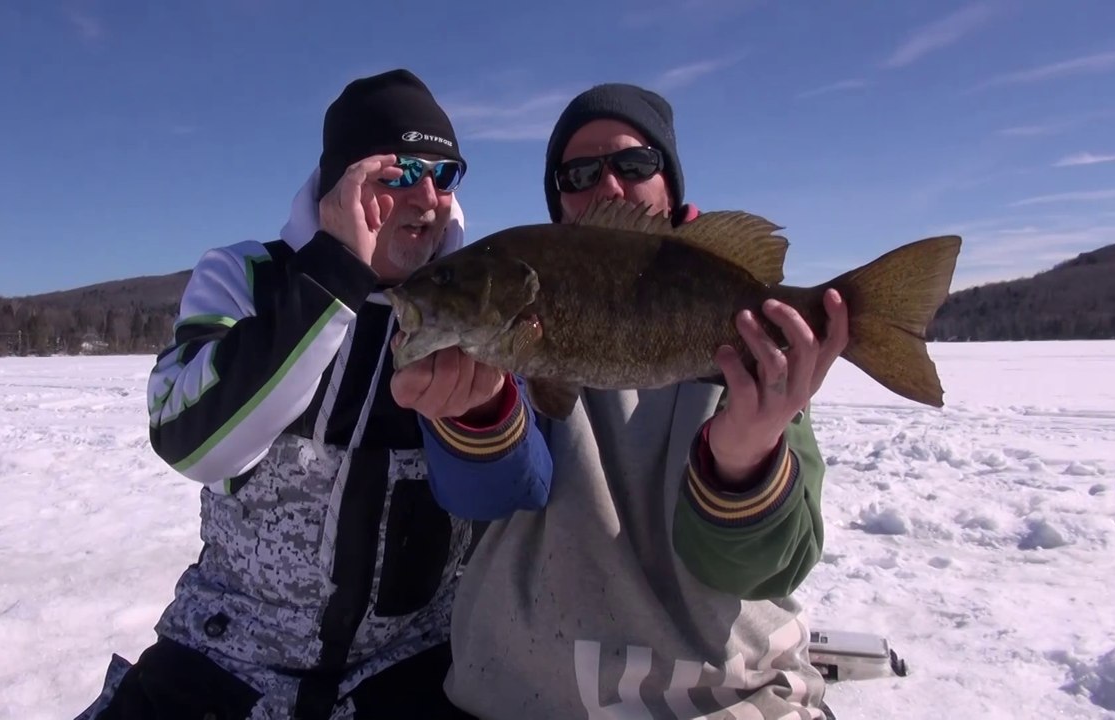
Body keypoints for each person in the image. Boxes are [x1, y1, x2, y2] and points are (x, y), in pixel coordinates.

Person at [74, 68, 551, 720]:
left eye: (446, 175)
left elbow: (516, 492)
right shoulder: (249, 278)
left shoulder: (480, 301)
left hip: (412, 667)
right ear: (342, 185)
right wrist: (330, 281)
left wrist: (483, 415)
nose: (429, 195)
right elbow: (191, 440)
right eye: (401, 171)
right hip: (224, 659)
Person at [439, 83, 848, 718]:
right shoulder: (510, 330)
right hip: (524, 694)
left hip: (717, 698)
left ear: (671, 181)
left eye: (633, 164)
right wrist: (475, 413)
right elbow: (493, 491)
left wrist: (744, 457)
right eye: (577, 173)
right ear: (557, 203)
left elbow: (771, 570)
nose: (607, 187)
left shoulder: (756, 356)